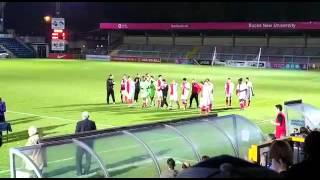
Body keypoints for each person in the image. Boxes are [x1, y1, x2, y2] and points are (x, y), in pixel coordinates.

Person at [75, 112, 97, 176]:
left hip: (81, 144)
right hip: (90, 143)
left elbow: (76, 134)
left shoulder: (79, 123)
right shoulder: (92, 123)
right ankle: (86, 172)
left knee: (78, 158)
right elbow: (95, 133)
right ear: (88, 116)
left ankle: (79, 173)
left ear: (82, 116)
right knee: (88, 158)